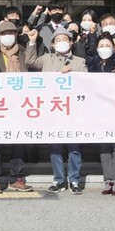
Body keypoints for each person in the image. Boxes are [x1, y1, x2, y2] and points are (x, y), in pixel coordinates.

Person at [25, 27, 87, 194]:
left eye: (65, 39)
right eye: (58, 40)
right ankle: (58, 180)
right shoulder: (46, 59)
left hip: (73, 110)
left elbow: (86, 82)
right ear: (52, 44)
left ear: (71, 42)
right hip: (53, 108)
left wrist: (71, 73)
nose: (62, 43)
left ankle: (74, 180)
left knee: (74, 147)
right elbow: (30, 61)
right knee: (55, 147)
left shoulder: (79, 62)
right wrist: (31, 42)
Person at [0, 22, 33, 193]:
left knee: (18, 142)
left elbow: (33, 71)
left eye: (11, 32)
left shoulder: (24, 52)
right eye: (4, 33)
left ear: (16, 34)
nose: (8, 35)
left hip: (20, 102)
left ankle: (17, 178)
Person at [87, 35, 115, 195]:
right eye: (102, 45)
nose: (104, 48)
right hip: (99, 109)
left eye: (108, 45)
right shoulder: (91, 63)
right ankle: (108, 179)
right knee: (104, 146)